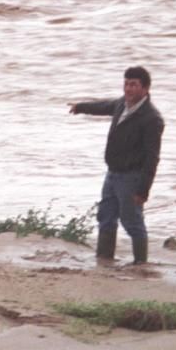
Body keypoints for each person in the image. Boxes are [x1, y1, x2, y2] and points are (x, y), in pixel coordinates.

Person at [69, 66, 164, 265]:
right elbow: (104, 106)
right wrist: (81, 107)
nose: (128, 89)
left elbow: (152, 158)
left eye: (134, 85)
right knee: (106, 217)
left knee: (132, 222)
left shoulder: (151, 119)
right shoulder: (122, 104)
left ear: (145, 88)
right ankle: (104, 259)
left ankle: (140, 263)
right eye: (126, 83)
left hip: (132, 177)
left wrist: (143, 190)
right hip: (112, 174)